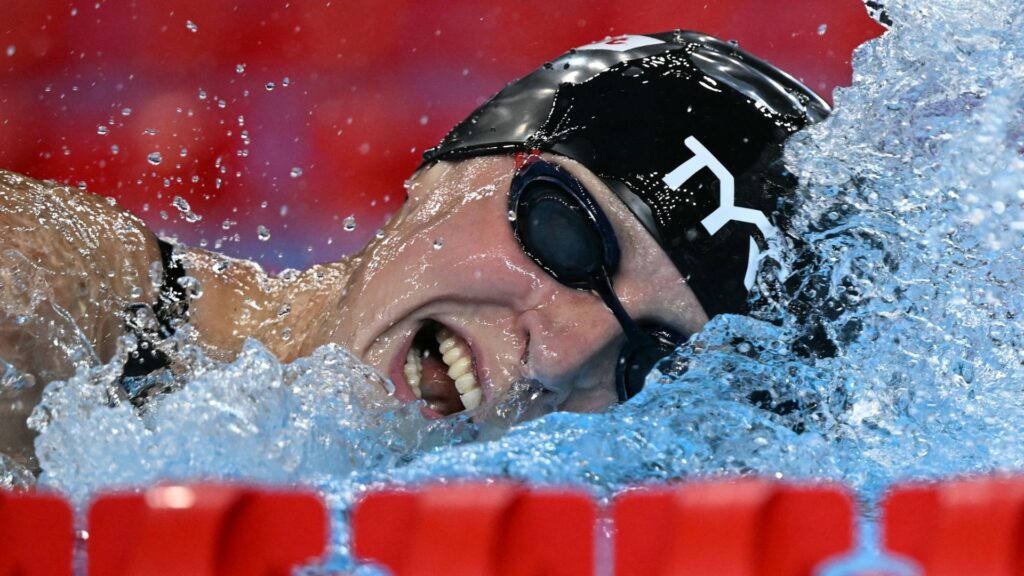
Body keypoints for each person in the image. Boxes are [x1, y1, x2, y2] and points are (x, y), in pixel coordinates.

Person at [0, 31, 828, 471]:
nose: (562, 356)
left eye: (651, 361)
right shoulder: (43, 303)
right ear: (453, 158)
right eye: (569, 237)